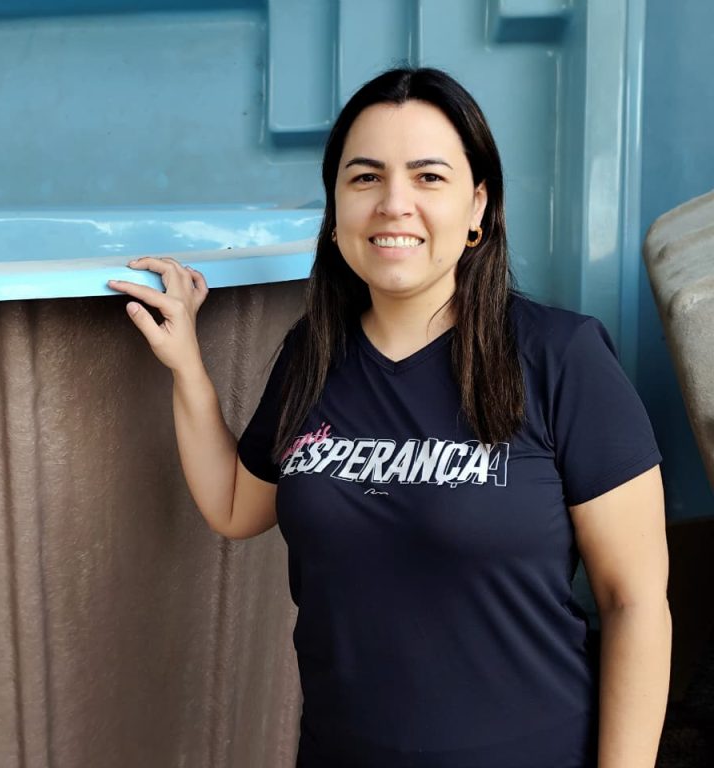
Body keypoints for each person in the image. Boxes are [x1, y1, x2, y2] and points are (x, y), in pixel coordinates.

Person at [107, 67, 671, 767]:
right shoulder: (313, 355)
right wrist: (187, 367)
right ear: (335, 208)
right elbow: (234, 505)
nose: (393, 204)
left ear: (478, 205)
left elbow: (634, 602)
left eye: (428, 177)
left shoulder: (562, 357)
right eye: (366, 177)